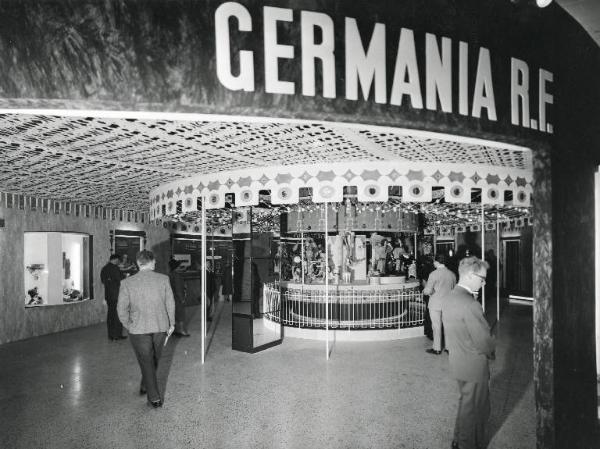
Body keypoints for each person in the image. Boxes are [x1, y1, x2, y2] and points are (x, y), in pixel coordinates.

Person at [441, 256, 495, 449]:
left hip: (458, 360)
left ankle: (458, 440)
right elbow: (484, 341)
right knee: (477, 410)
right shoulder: (471, 304)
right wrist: (491, 351)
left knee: (466, 405)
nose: (484, 282)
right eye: (482, 278)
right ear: (471, 276)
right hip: (473, 365)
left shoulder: (450, 297)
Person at [117, 250, 175, 409]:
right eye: (154, 262)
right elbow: (170, 303)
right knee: (153, 360)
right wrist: (172, 323)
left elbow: (121, 309)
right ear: (151, 262)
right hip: (160, 327)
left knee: (147, 361)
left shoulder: (127, 283)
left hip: (138, 329)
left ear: (138, 263)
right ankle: (154, 397)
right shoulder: (163, 279)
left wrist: (128, 325)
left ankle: (145, 385)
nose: (155, 264)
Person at [423, 253, 456, 354]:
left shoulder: (433, 274)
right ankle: (449, 348)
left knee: (436, 326)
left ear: (437, 262)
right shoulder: (452, 274)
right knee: (448, 326)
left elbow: (428, 291)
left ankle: (437, 348)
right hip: (448, 304)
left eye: (434, 261)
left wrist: (427, 290)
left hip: (435, 304)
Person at [100, 254, 126, 340]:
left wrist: (110, 281)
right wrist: (126, 276)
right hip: (117, 295)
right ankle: (117, 335)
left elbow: (103, 281)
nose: (119, 262)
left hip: (109, 295)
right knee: (117, 315)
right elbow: (121, 280)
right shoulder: (115, 268)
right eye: (118, 260)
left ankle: (111, 335)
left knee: (110, 315)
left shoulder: (104, 268)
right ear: (115, 260)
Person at [168, 258, 190, 337]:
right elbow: (178, 288)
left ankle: (175, 330)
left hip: (171, 298)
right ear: (176, 267)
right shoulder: (177, 275)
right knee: (181, 314)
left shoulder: (170, 274)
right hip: (177, 298)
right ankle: (181, 331)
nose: (180, 267)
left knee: (174, 315)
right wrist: (182, 299)